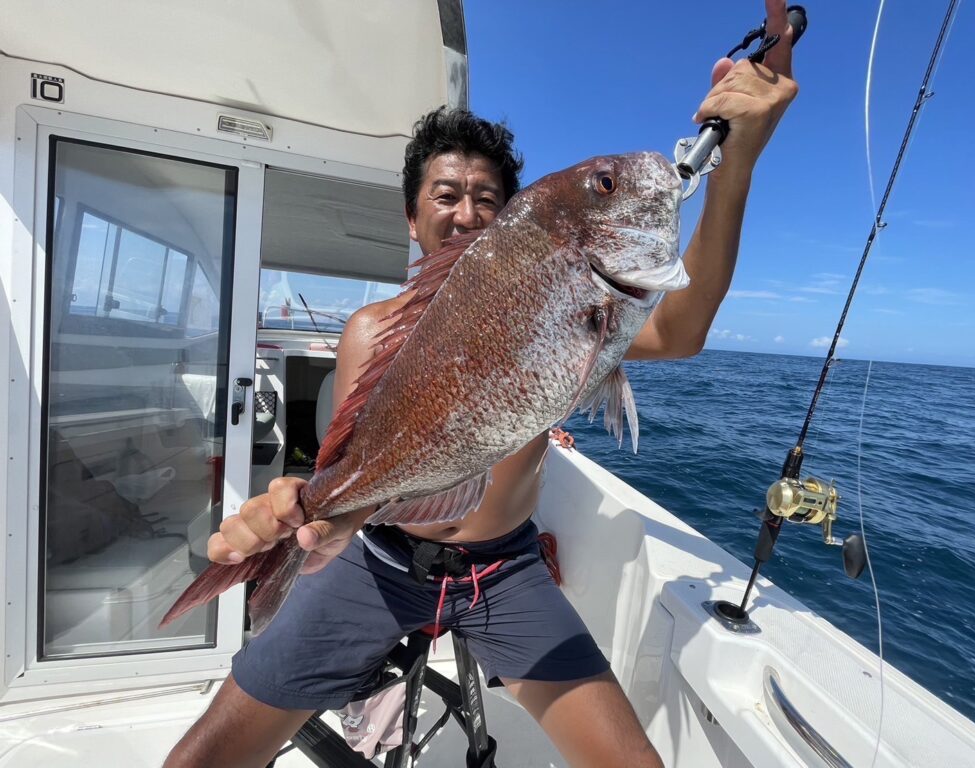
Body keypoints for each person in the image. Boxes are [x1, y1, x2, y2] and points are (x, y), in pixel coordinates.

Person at [165, 3, 798, 766]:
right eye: (444, 195)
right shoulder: (370, 329)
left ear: (509, 221)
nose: (465, 212)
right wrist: (321, 517)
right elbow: (357, 464)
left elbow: (686, 329)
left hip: (505, 570)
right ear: (411, 217)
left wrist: (740, 166)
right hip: (380, 562)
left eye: (487, 199)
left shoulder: (572, 300)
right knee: (197, 760)